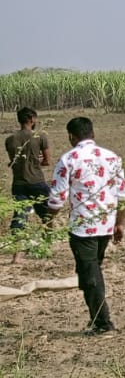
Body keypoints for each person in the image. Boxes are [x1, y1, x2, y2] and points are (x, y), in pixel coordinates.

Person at [45, 116, 125, 334]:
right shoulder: (112, 158)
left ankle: (103, 324)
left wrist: (47, 221)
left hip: (83, 228)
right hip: (106, 223)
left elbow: (56, 199)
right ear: (93, 134)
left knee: (91, 275)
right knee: (90, 270)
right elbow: (123, 195)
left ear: (71, 137)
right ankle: (96, 318)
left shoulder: (68, 160)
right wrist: (119, 224)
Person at [7, 107, 51, 265]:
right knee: (48, 214)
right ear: (31, 119)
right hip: (37, 182)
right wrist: (38, 161)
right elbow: (47, 161)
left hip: (19, 184)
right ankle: (47, 247)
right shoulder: (40, 137)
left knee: (19, 218)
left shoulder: (10, 139)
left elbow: (13, 162)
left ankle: (16, 256)